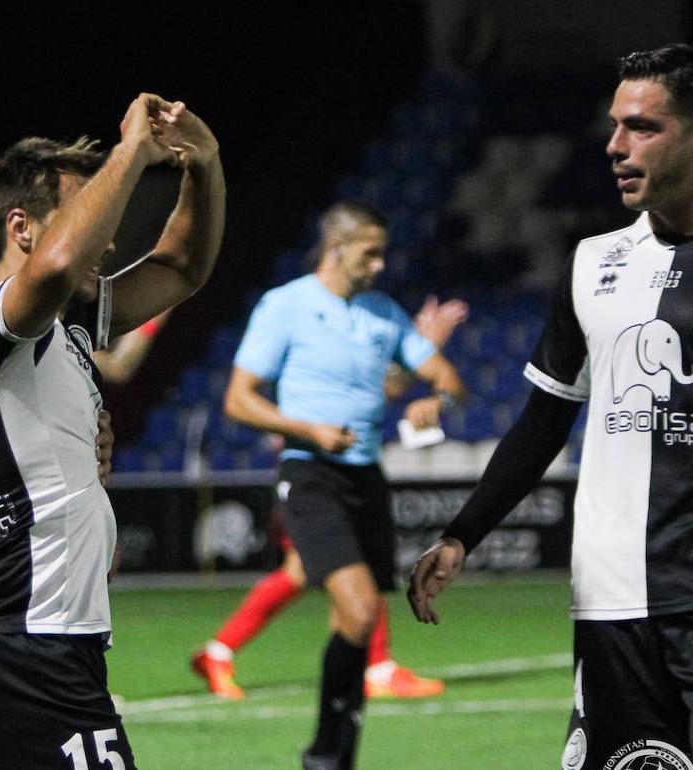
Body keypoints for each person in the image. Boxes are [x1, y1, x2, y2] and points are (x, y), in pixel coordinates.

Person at [409, 43, 693, 769]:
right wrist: (462, 532)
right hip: (612, 603)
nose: (615, 145)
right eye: (615, 125)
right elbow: (543, 419)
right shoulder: (593, 264)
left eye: (643, 127)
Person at [0, 94, 225, 769]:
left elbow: (183, 268)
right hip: (24, 647)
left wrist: (203, 165)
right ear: (22, 228)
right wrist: (131, 151)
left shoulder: (64, 329)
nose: (110, 234)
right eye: (85, 209)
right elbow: (59, 266)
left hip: (34, 646)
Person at [217, 200, 465, 770]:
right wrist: (306, 428)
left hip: (366, 478)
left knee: (355, 622)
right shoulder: (286, 306)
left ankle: (338, 755)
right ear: (336, 248)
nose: (379, 264)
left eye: (382, 253)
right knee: (358, 612)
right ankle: (324, 752)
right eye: (369, 252)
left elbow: (448, 379)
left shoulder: (382, 312)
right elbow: (238, 399)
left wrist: (437, 398)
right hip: (310, 473)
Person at [191, 295, 468, 701]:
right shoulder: (305, 327)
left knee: (305, 571)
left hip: (331, 472)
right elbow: (377, 386)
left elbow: (381, 386)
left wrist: (421, 351)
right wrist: (418, 354)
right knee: (335, 565)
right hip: (313, 475)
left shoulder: (339, 329)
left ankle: (220, 653)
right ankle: (375, 667)